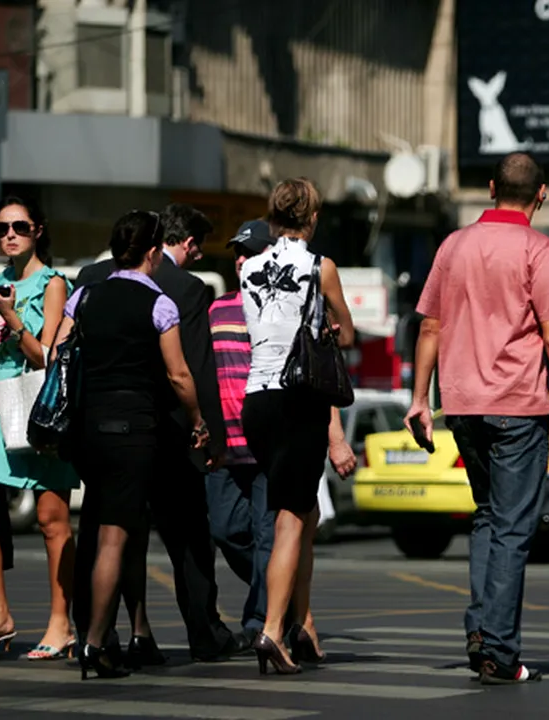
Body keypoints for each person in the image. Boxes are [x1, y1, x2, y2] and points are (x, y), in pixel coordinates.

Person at [407, 152, 549, 684]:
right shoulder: (540, 249)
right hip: (515, 404)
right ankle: (499, 651)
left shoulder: (453, 245)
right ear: (541, 194)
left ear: (490, 188)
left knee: (488, 517)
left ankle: (479, 627)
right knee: (513, 528)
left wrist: (420, 398)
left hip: (462, 403)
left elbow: (429, 328)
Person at [75, 203, 241, 662]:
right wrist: (207, 431)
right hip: (159, 431)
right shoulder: (183, 291)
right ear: (174, 245)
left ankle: (113, 632)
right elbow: (191, 372)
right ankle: (202, 633)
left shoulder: (88, 281)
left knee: (105, 530)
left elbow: (62, 352)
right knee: (187, 538)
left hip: (95, 427)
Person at [54, 210, 209, 679]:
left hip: (87, 429)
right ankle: (96, 643)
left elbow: (60, 353)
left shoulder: (84, 295)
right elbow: (179, 375)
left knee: (97, 525)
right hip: (133, 429)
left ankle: (95, 632)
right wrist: (198, 419)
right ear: (153, 252)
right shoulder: (160, 304)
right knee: (114, 538)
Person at [208, 218, 357, 647]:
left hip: (267, 428)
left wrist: (335, 438)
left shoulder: (290, 303)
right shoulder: (222, 310)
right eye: (235, 254)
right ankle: (286, 619)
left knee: (283, 528)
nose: (241, 261)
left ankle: (271, 621)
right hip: (251, 432)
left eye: (246, 253)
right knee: (250, 529)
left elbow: (317, 374)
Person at [240, 178, 355, 675]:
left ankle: (302, 623)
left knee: (302, 513)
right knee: (290, 518)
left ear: (271, 217)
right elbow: (345, 332)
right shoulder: (319, 266)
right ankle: (272, 628)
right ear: (311, 218)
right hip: (297, 398)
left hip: (256, 399)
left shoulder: (246, 267)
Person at [0, 196, 80, 660]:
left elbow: (44, 356)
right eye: (3, 227)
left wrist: (10, 320)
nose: (9, 234)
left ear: (38, 231)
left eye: (20, 227)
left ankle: (60, 622)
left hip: (39, 405)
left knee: (52, 521)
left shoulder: (53, 285)